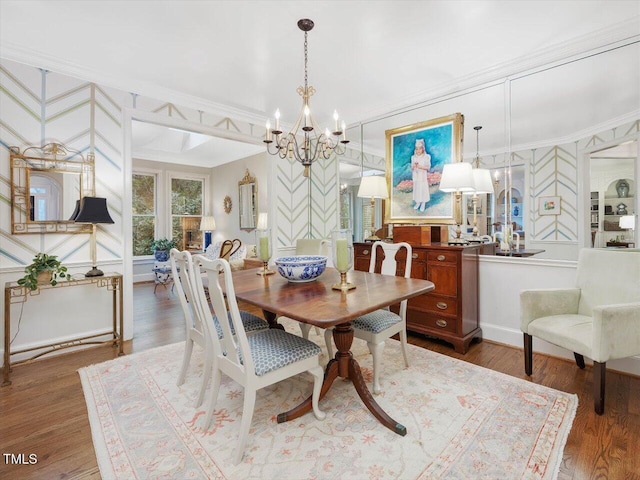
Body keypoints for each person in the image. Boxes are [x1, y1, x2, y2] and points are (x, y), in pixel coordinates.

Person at [411, 139, 431, 212]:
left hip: (422, 176)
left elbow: (428, 167)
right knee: (417, 189)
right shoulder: (413, 157)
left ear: (422, 149)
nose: (418, 150)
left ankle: (423, 203)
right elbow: (412, 167)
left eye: (420, 148)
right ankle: (418, 202)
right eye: (416, 149)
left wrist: (420, 167)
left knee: (422, 189)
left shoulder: (427, 156)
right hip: (416, 176)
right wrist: (414, 166)